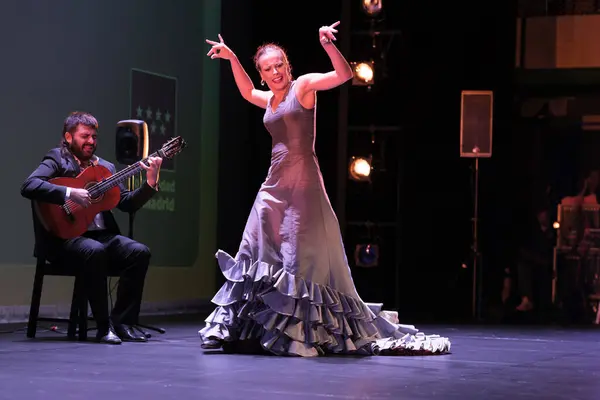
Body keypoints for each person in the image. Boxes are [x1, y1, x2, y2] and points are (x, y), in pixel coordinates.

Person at [199, 22, 451, 357]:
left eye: (279, 66)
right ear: (261, 74)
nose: (275, 72)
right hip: (274, 183)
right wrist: (232, 58)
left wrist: (327, 44)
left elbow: (343, 75)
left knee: (295, 257)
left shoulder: (302, 87)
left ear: (288, 67)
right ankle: (235, 326)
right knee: (255, 245)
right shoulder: (270, 99)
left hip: (302, 183)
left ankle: (298, 332)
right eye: (267, 69)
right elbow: (247, 93)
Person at [21, 111, 162, 345]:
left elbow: (126, 203)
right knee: (94, 251)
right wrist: (69, 192)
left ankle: (123, 323)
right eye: (85, 136)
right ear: (68, 137)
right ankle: (103, 328)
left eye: (94, 137)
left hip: (101, 236)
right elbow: (29, 185)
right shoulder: (57, 159)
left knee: (139, 252)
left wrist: (150, 182)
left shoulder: (105, 167)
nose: (91, 142)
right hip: (64, 240)